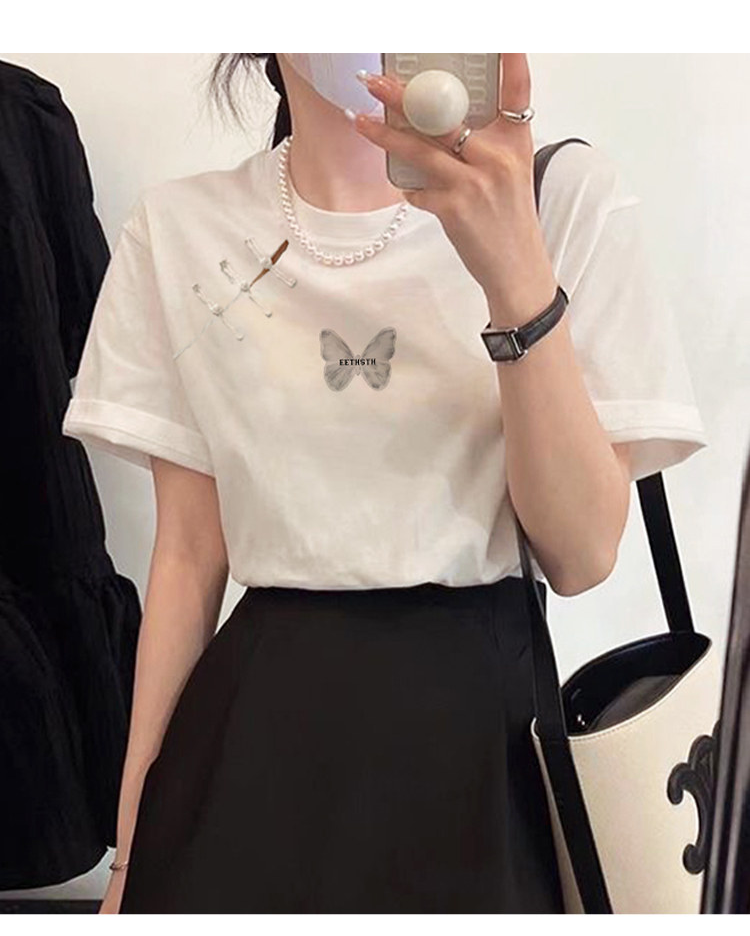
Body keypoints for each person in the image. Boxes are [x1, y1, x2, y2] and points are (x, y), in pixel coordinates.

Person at [62, 53, 708, 914]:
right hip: (245, 760)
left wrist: (515, 273)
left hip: (482, 763)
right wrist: (128, 864)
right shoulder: (181, 226)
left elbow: (582, 553)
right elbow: (186, 556)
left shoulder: (560, 198)